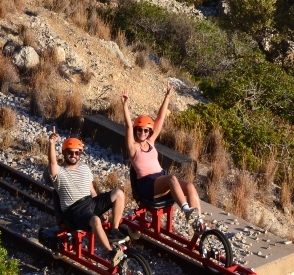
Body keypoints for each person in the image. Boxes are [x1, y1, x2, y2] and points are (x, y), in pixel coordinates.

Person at [46, 129, 128, 265]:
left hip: (89, 203)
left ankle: (114, 230)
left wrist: (100, 210)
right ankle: (110, 253)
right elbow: (52, 162)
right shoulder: (58, 173)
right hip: (74, 210)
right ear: (64, 153)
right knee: (95, 220)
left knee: (118, 193)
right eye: (70, 152)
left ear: (79, 154)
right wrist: (51, 143)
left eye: (76, 153)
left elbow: (92, 192)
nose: (73, 155)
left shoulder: (84, 168)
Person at [123, 86, 202, 222]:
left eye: (146, 130)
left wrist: (167, 97)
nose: (143, 133)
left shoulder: (150, 142)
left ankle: (198, 222)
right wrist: (125, 105)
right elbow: (128, 126)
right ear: (136, 131)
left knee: (189, 186)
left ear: (149, 132)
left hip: (160, 178)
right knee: (171, 179)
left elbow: (160, 119)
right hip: (147, 184)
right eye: (140, 130)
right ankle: (187, 211)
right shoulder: (133, 148)